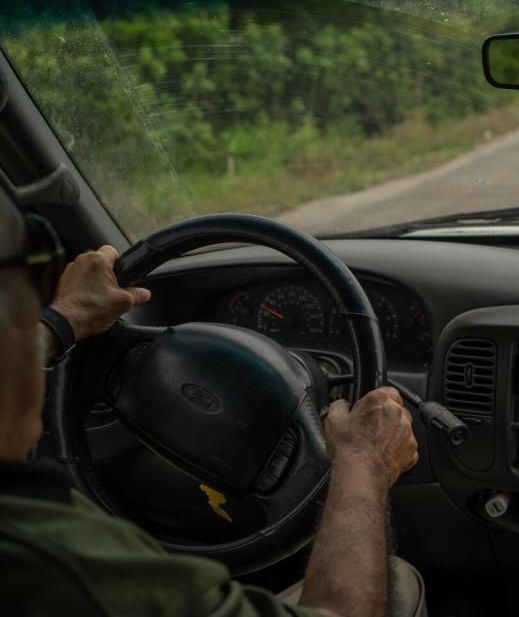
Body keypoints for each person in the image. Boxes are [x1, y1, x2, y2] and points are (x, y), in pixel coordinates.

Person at [0, 188, 425, 617]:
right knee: (399, 581)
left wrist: (61, 320)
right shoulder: (66, 570)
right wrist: (363, 463)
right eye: (33, 273)